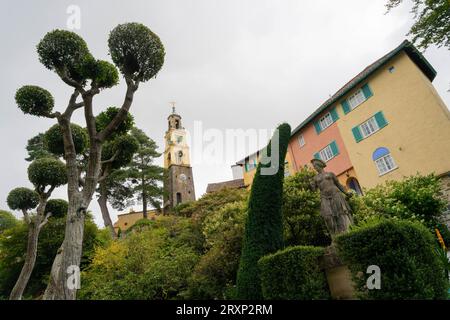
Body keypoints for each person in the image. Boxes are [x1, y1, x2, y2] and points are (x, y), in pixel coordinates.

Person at [310, 158, 353, 237]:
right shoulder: (315, 178)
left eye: (315, 166)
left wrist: (346, 193)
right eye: (314, 166)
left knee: (341, 213)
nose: (314, 168)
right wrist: (311, 185)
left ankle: (347, 232)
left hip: (335, 194)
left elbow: (338, 184)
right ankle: (334, 237)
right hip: (324, 197)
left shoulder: (330, 174)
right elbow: (313, 190)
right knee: (327, 217)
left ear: (320, 165)